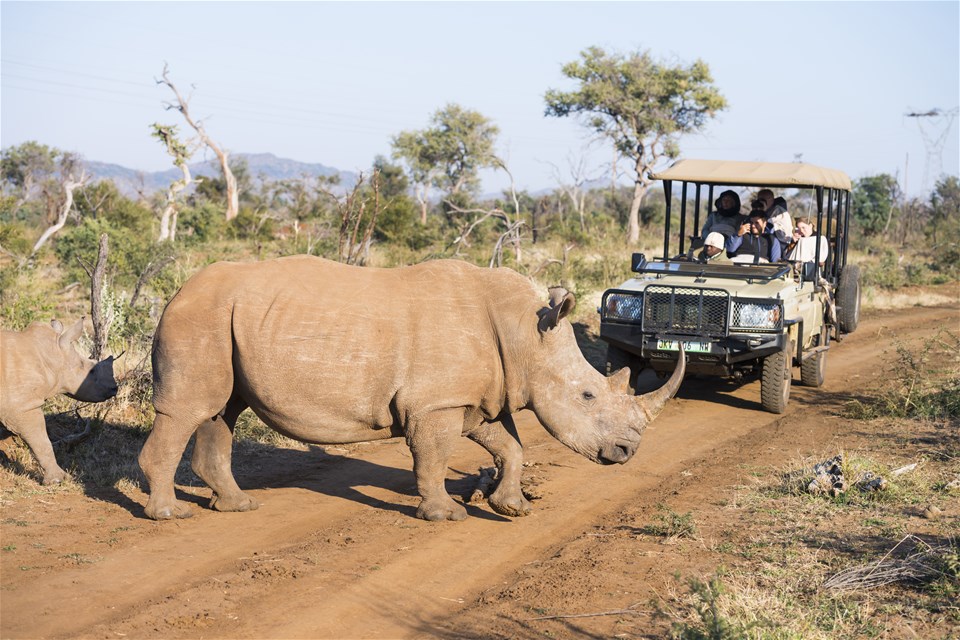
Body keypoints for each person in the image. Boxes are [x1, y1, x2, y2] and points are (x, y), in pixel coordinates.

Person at [757, 188, 794, 253]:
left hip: (779, 243)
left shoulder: (780, 212)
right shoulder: (758, 210)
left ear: (772, 199)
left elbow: (778, 230)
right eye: (760, 199)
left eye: (764, 199)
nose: (762, 202)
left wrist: (764, 213)